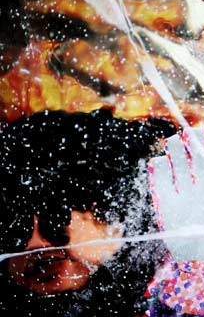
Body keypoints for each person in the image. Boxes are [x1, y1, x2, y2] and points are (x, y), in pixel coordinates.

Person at [0, 108, 176, 316]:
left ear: (112, 222)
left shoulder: (186, 284)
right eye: (14, 232)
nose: (34, 244)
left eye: (54, 221)